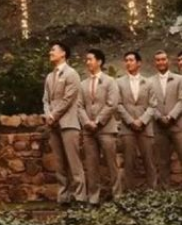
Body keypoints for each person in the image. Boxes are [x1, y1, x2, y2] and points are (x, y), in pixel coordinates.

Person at [42, 42, 86, 205]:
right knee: (60, 164)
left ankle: (80, 197)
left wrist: (54, 114)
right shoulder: (49, 76)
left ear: (63, 54)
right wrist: (48, 114)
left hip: (68, 123)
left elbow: (69, 98)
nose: (50, 52)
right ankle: (64, 197)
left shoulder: (72, 74)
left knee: (74, 162)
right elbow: (46, 99)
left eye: (53, 50)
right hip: (53, 125)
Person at [77, 49, 121, 205]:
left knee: (111, 164)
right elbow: (79, 106)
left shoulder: (110, 81)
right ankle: (94, 197)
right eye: (86, 60)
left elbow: (112, 104)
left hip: (106, 129)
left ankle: (117, 196)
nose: (87, 62)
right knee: (91, 164)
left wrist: (98, 121)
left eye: (90, 59)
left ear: (100, 61)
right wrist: (87, 122)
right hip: (89, 131)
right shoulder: (82, 84)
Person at [117, 51, 157, 191]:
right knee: (129, 161)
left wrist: (142, 121)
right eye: (126, 60)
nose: (128, 63)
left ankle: (153, 191)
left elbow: (153, 105)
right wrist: (130, 121)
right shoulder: (119, 82)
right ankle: (129, 193)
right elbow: (118, 104)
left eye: (131, 60)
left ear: (139, 63)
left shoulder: (149, 82)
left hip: (145, 127)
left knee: (149, 161)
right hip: (127, 128)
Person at [150, 50, 182, 189]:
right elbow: (150, 103)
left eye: (163, 59)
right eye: (158, 60)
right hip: (159, 127)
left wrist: (171, 116)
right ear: (155, 63)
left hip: (177, 125)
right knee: (162, 161)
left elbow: (181, 101)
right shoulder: (149, 81)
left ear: (168, 60)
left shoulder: (179, 79)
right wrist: (159, 117)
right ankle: (165, 190)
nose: (161, 62)